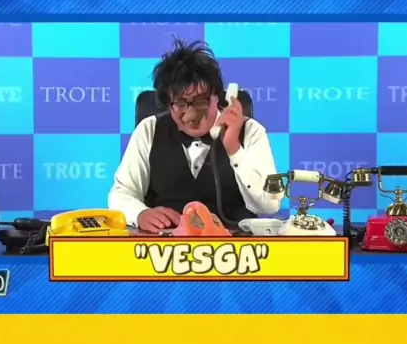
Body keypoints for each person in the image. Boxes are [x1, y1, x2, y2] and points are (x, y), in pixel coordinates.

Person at [108, 40, 282, 233]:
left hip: (236, 244)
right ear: (168, 104)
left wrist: (234, 149)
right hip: (165, 245)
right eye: (180, 104)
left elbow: (269, 205)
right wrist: (140, 214)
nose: (191, 115)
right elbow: (121, 193)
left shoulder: (251, 131)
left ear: (218, 97)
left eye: (200, 102)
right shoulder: (149, 129)